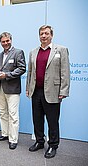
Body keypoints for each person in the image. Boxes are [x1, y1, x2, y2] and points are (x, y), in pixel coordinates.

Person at [26, 25, 70, 158]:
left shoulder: (61, 50)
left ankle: (53, 145)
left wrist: (64, 90)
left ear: (51, 35)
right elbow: (30, 72)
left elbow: (65, 72)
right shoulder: (33, 52)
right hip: (36, 91)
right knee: (37, 119)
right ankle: (40, 142)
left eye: (46, 33)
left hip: (53, 91)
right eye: (41, 34)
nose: (43, 36)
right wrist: (28, 88)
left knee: (52, 121)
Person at [0, 32, 26, 150]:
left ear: (11, 40)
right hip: (0, 87)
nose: (5, 43)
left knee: (13, 114)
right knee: (3, 112)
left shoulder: (18, 52)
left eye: (7, 41)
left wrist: (7, 75)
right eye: (3, 41)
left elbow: (22, 68)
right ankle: (5, 134)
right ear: (0, 42)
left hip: (12, 89)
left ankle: (13, 139)